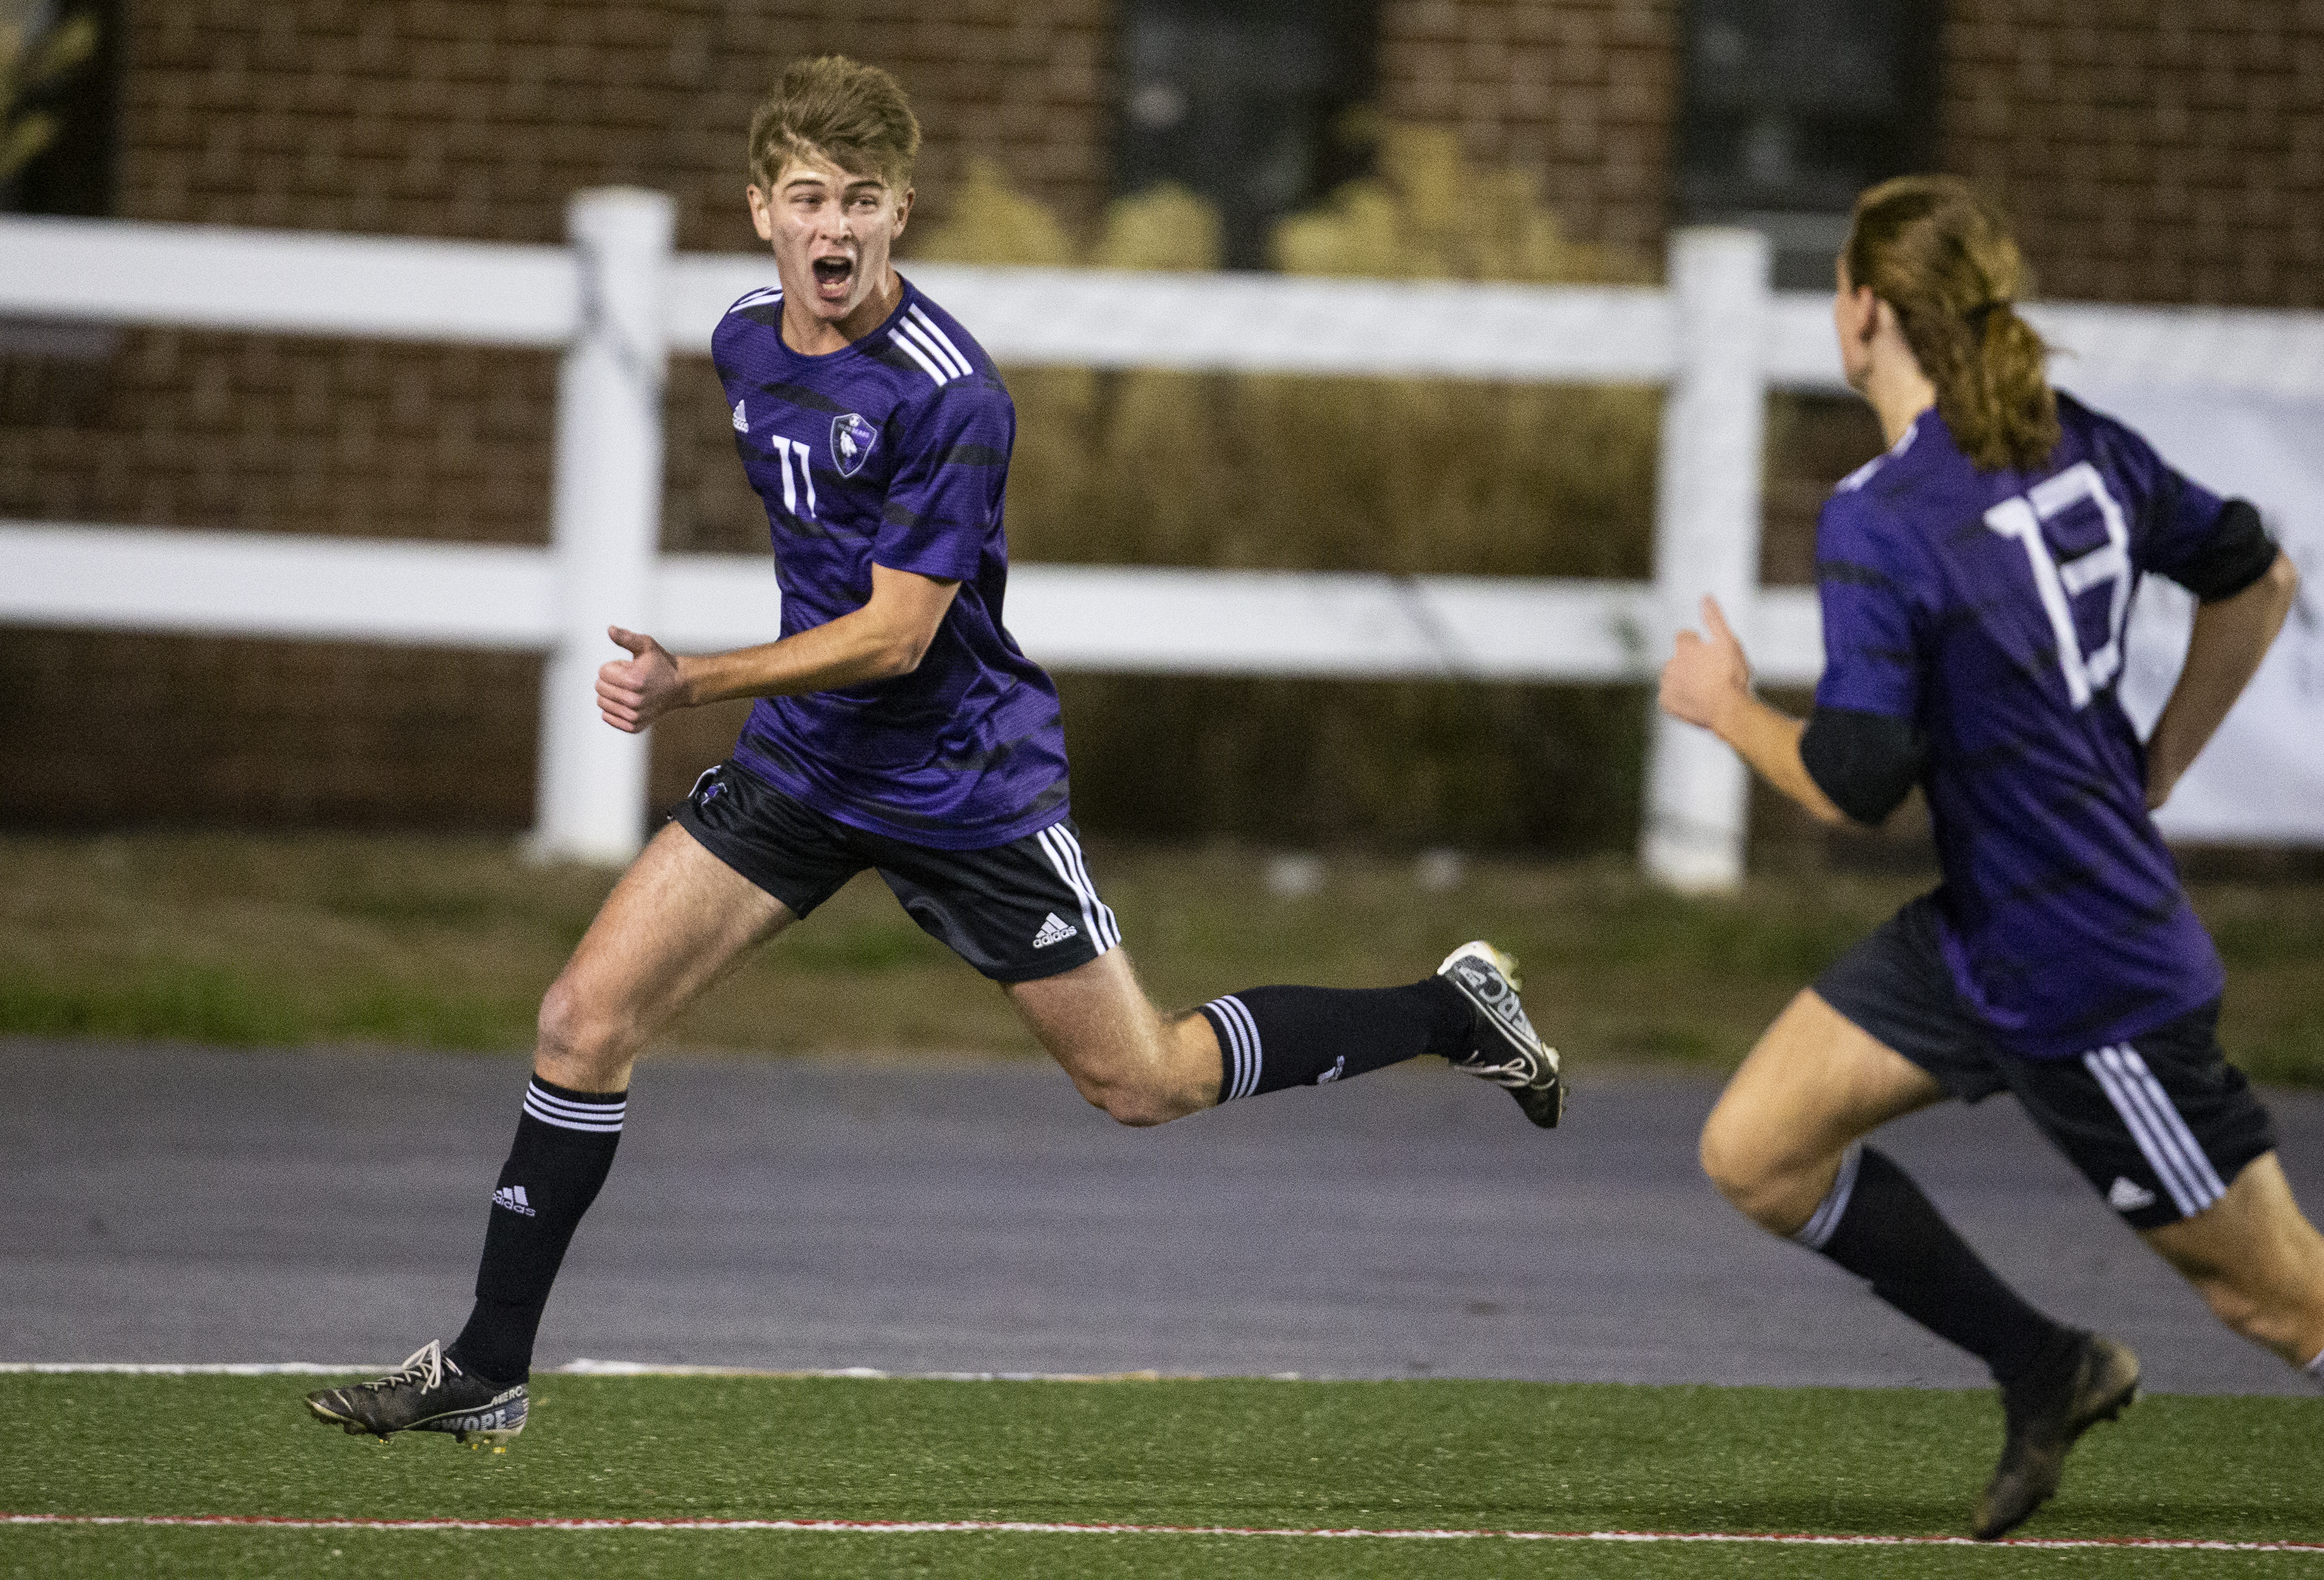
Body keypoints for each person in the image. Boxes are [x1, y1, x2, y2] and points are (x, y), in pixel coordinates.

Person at [304, 55, 1561, 1452]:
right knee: (581, 1022)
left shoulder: (952, 394)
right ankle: (488, 1367)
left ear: (900, 213)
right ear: (760, 212)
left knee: (1143, 1082)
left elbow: (900, 636)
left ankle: (1454, 1013)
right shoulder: (742, 343)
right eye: (803, 199)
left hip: (963, 780)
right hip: (805, 766)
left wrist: (697, 680)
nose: (830, 229)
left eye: (858, 201)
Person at [1658, 173, 2321, 1541]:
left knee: (2272, 1297)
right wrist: (2162, 762)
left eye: (1840, 286)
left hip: (2089, 978)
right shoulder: (2073, 440)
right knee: (1758, 1149)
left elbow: (1855, 783)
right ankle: (2047, 1367)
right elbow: (2258, 576)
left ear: (1868, 313)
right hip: (1990, 932)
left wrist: (1726, 709)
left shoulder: (1886, 513)